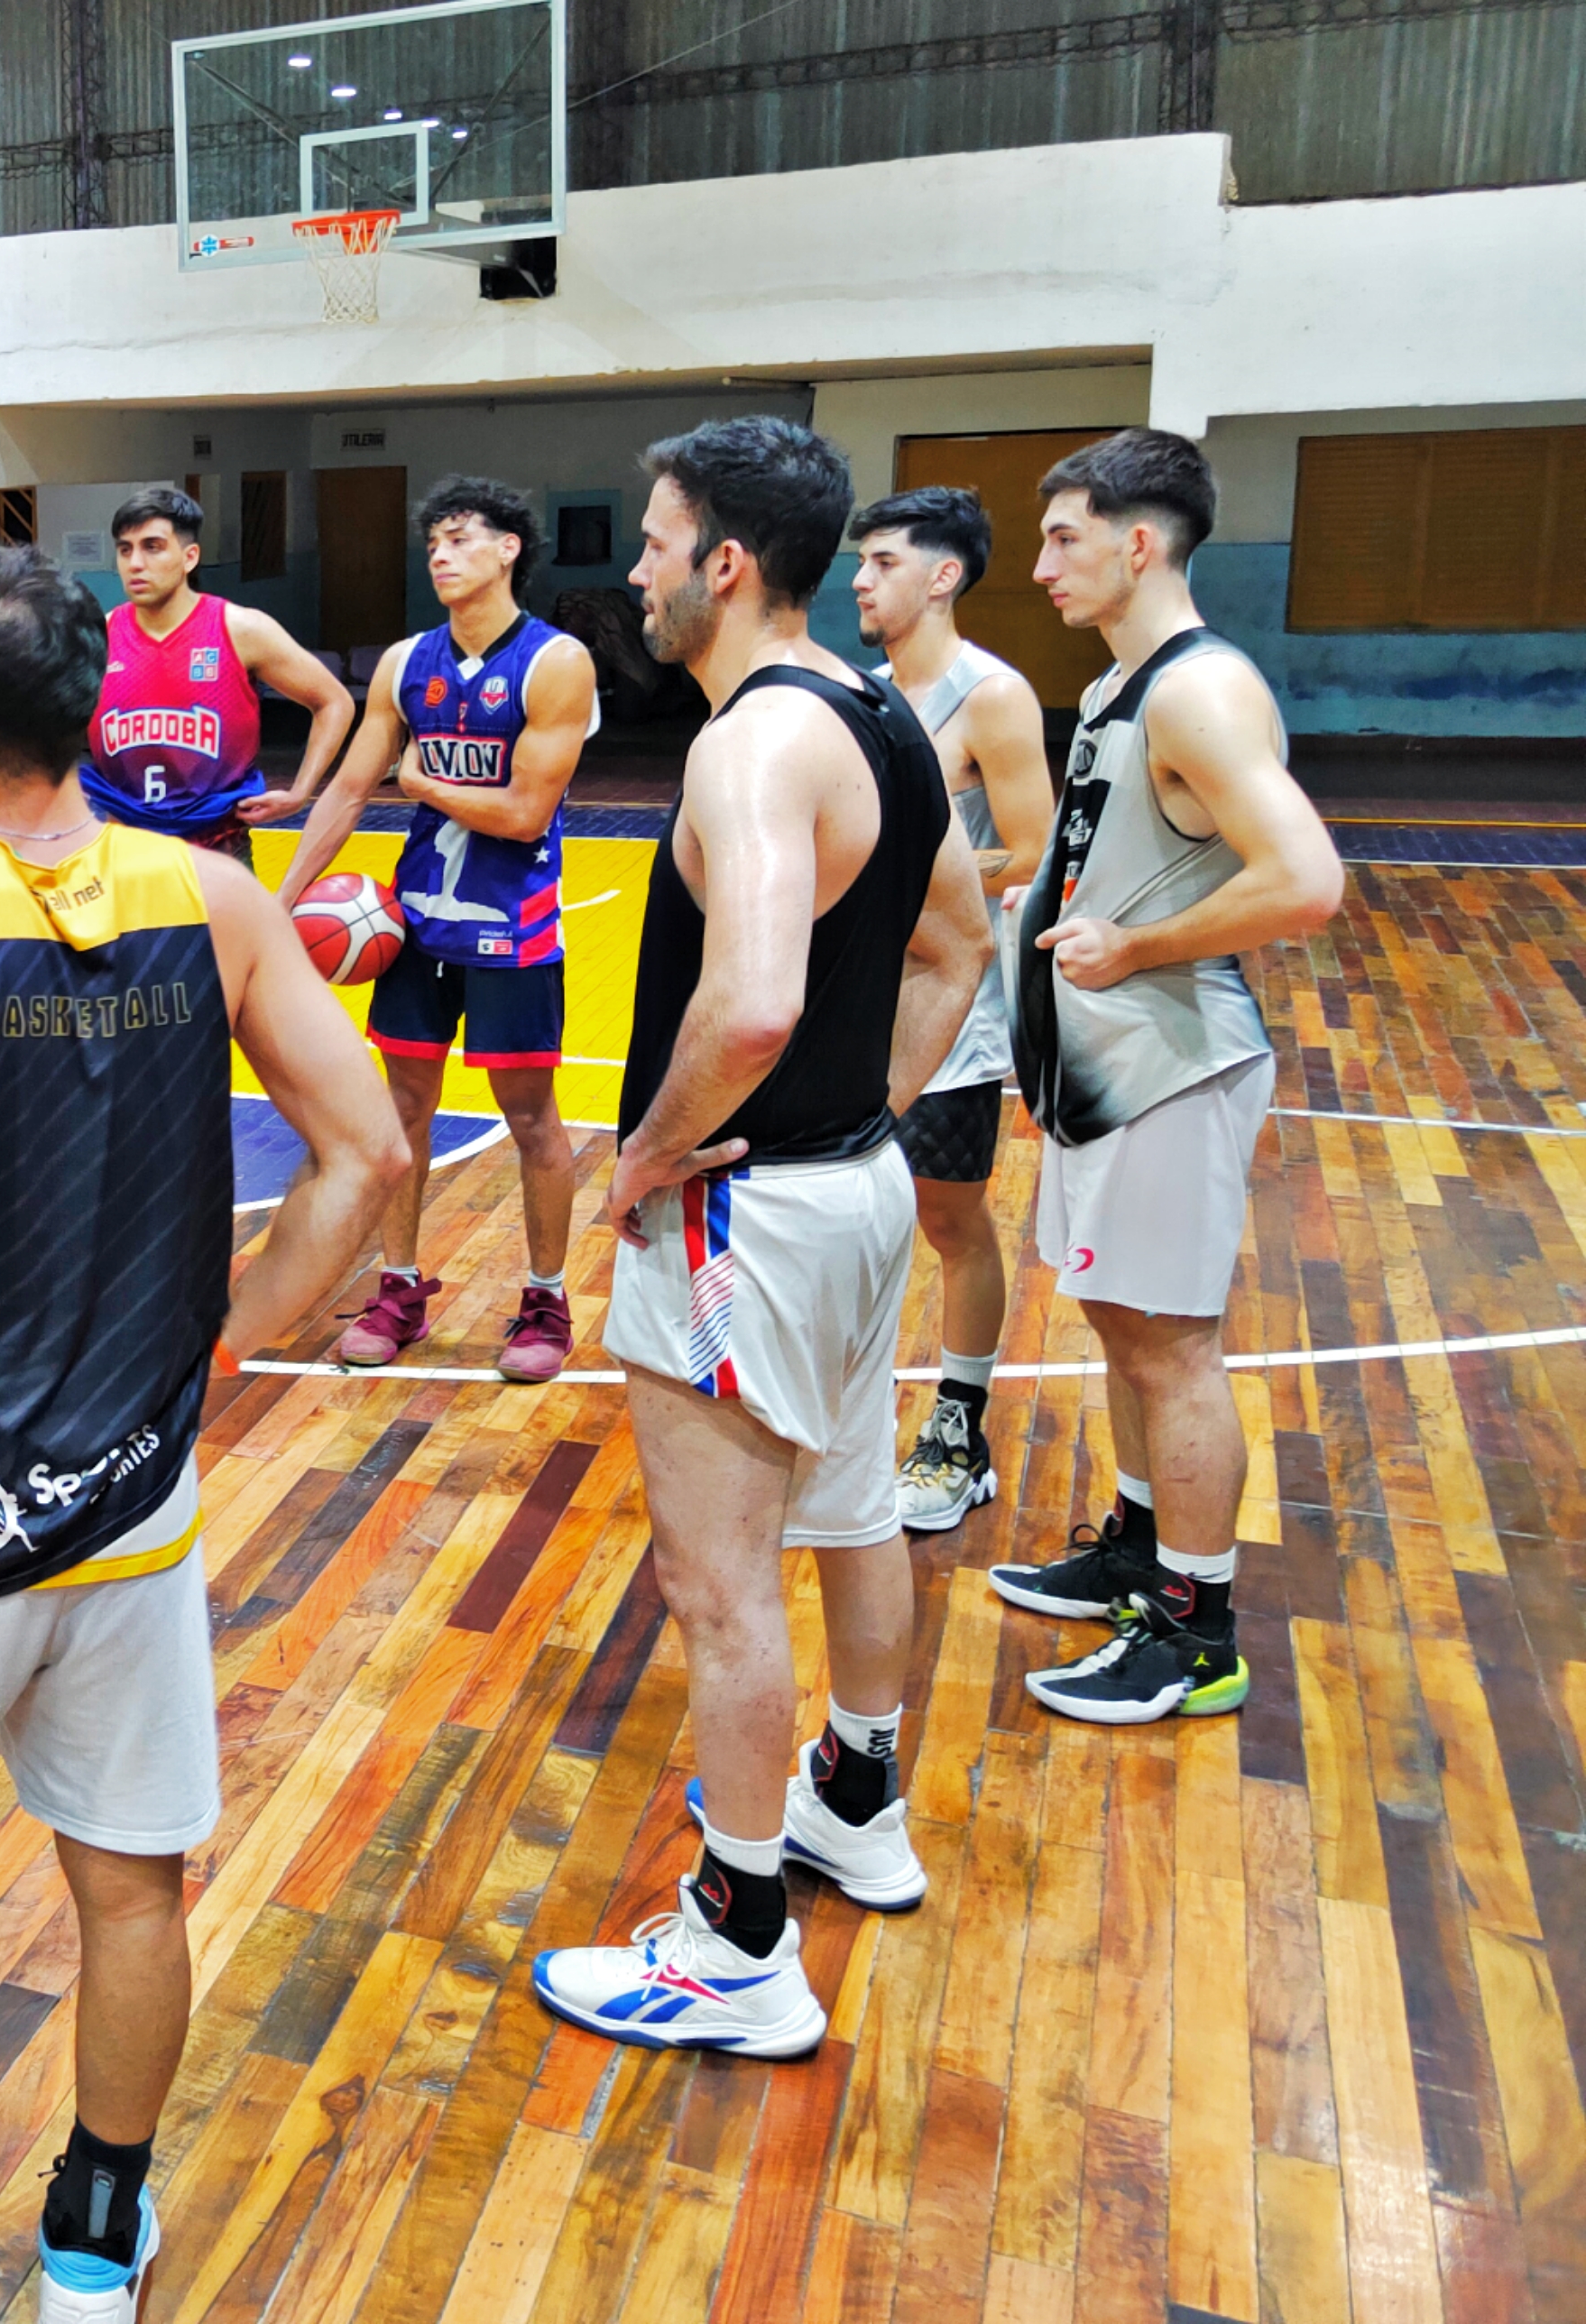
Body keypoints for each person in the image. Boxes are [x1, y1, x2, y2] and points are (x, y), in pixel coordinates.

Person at [0, 548, 403, 2324]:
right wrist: (233, 1345)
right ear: (93, 710)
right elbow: (371, 1158)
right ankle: (92, 2247)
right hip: (127, 1500)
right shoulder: (214, 899)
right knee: (128, 1890)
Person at [530, 419, 988, 2058]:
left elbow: (753, 1001)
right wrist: (851, 1109)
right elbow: (958, 942)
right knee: (852, 1516)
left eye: (653, 543)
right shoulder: (880, 719)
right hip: (850, 1194)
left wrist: (648, 1157)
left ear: (723, 561)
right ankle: (854, 1800)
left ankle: (733, 1941)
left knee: (715, 1589)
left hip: (747, 1213)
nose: (635, 571)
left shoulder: (745, 748)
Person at [986, 429, 1343, 1724]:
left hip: (1168, 1072)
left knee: (1171, 1347)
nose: (1036, 569)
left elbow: (1303, 882)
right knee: (1120, 1328)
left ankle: (1195, 1635)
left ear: (1136, 544)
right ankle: (1139, 1552)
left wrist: (1134, 945)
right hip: (1102, 1077)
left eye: (1060, 539)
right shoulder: (1115, 691)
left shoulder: (1196, 692)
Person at [275, 475, 600, 1383]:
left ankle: (543, 1296)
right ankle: (399, 1285)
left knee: (531, 1116)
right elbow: (345, 787)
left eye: (460, 538)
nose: (440, 554)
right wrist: (280, 904)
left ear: (508, 549)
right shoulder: (404, 662)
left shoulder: (554, 661)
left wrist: (418, 786)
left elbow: (525, 812)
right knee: (402, 1110)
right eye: (432, 543)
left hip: (514, 926)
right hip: (417, 925)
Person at [844, 489, 1054, 1530]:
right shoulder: (859, 692)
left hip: (952, 1008)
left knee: (947, 1214)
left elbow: (1035, 849)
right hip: (850, 1002)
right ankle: (840, 1421)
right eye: (858, 562)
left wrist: (899, 876)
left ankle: (957, 1428)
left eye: (882, 562)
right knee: (847, 1210)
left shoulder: (992, 697)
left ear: (942, 575)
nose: (859, 580)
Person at [77, 484, 355, 864]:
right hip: (125, 855)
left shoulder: (240, 629)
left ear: (190, 557)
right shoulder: (101, 637)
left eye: (152, 547)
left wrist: (300, 792)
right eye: (125, 549)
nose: (135, 563)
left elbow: (334, 702)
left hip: (218, 852)